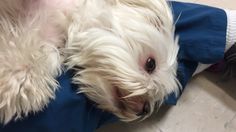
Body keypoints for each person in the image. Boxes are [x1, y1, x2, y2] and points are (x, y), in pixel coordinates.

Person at [0, 1, 235, 132]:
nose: (144, 107)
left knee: (27, 90)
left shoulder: (35, 70)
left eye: (147, 105)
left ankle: (217, 39)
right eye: (149, 65)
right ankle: (218, 39)